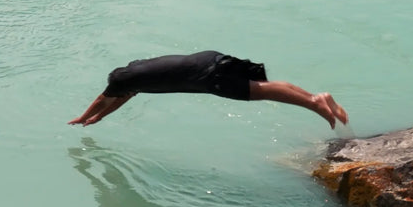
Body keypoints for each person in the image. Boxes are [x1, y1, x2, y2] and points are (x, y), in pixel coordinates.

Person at [68, 50, 349, 128]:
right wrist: (99, 119)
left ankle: (315, 103)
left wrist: (85, 117)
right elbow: (119, 99)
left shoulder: (120, 84)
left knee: (260, 92)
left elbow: (103, 99)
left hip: (207, 76)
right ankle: (317, 98)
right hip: (210, 58)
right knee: (264, 85)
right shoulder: (136, 70)